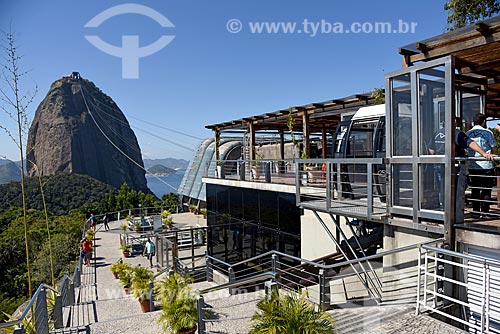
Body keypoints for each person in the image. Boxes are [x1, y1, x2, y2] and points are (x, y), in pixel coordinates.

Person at [429, 117, 495, 221]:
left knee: (443, 189)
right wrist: (484, 153)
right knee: (458, 190)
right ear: (454, 121)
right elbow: (471, 143)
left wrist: (435, 159)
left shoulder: (438, 133)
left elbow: (431, 149)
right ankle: (456, 215)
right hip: (456, 166)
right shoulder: (456, 133)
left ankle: (445, 212)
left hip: (440, 166)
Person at [466, 113, 498, 217]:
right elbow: (494, 148)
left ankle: (475, 212)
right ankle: (485, 212)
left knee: (475, 189)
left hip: (472, 165)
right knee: (486, 189)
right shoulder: (488, 132)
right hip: (486, 165)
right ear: (484, 121)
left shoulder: (468, 133)